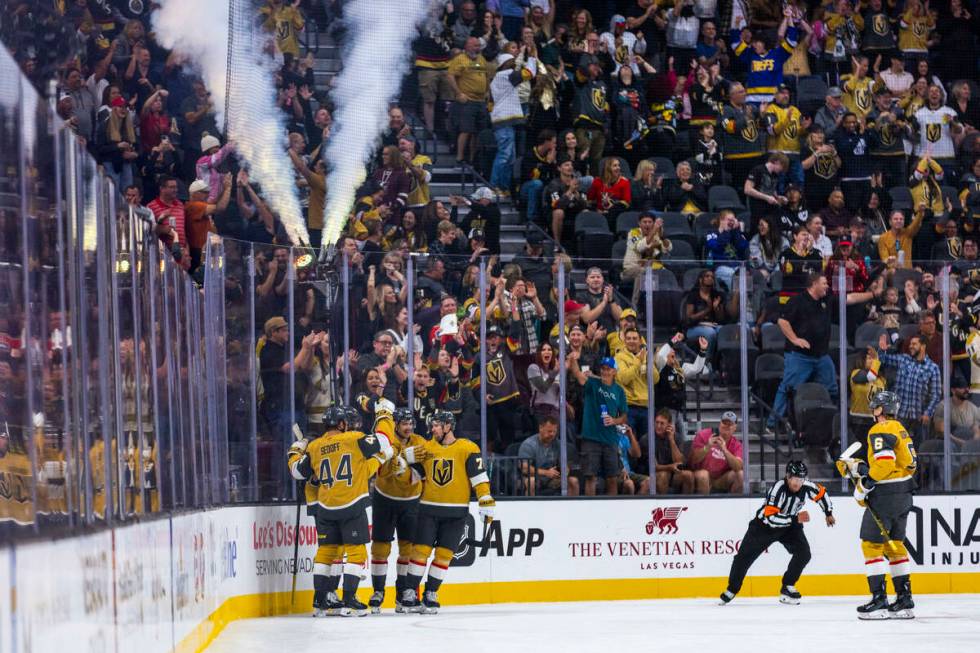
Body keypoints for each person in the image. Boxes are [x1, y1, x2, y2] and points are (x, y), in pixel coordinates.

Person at [288, 400, 394, 617]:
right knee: (356, 552)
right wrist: (384, 414)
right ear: (342, 423)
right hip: (351, 505)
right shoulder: (353, 439)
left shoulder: (315, 446)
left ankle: (319, 602)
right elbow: (383, 440)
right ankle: (349, 600)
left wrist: (295, 450)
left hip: (326, 507)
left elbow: (298, 472)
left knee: (326, 552)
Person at [402, 410, 494, 613]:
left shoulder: (467, 448)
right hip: (428, 509)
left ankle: (431, 592)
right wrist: (402, 462)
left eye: (436, 425)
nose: (432, 429)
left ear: (448, 426)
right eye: (432, 425)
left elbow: (478, 477)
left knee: (444, 555)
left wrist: (485, 499)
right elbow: (413, 477)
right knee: (420, 552)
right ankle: (410, 591)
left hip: (456, 512)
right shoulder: (426, 448)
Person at [836, 391, 917, 619]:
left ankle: (879, 600)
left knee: (871, 544)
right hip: (904, 493)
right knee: (895, 546)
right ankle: (904, 599)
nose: (873, 412)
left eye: (875, 408)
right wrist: (860, 468)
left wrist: (864, 486)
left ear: (881, 410)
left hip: (886, 495)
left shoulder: (880, 429)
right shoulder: (900, 429)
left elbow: (883, 465)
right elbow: (906, 465)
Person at [719, 461, 835, 606]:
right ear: (787, 476)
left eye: (801, 479)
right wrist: (795, 519)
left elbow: (822, 494)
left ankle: (787, 586)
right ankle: (732, 589)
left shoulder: (806, 486)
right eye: (795, 479)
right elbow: (771, 518)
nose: (798, 483)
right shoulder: (777, 489)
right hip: (764, 527)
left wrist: (828, 512)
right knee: (743, 557)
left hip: (790, 526)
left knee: (804, 553)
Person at [369, 407, 430, 614]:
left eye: (411, 423)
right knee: (380, 548)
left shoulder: (420, 441)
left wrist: (405, 461)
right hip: (384, 499)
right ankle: (378, 592)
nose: (409, 427)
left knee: (408, 549)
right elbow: (381, 470)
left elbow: (422, 469)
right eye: (405, 423)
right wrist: (403, 456)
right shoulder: (386, 443)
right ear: (395, 424)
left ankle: (403, 595)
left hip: (411, 501)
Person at [766, 272, 838, 435]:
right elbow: (782, 321)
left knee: (831, 388)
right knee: (788, 388)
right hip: (799, 356)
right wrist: (795, 339)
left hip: (821, 355)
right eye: (824, 283)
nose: (827, 286)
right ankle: (772, 423)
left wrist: (872, 293)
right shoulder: (797, 301)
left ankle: (825, 423)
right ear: (814, 284)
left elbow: (850, 299)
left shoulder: (825, 300)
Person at [567, 354, 628, 496]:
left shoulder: (619, 391)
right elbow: (577, 373)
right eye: (602, 368)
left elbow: (624, 416)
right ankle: (590, 510)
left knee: (612, 478)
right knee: (590, 477)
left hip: (610, 439)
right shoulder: (593, 384)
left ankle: (612, 511)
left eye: (608, 369)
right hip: (591, 438)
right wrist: (573, 359)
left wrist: (614, 420)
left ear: (614, 371)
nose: (605, 371)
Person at [874, 332, 941, 446]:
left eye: (914, 344)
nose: (911, 346)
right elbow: (883, 359)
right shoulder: (903, 359)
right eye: (910, 344)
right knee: (896, 445)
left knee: (920, 448)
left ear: (923, 346)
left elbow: (936, 394)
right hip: (900, 413)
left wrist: (928, 413)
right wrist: (882, 349)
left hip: (919, 416)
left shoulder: (933, 368)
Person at [489, 52, 531, 195]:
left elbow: (490, 104)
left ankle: (503, 187)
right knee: (505, 155)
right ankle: (493, 186)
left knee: (510, 157)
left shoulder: (496, 79)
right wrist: (532, 58)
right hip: (503, 121)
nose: (513, 64)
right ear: (505, 64)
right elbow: (529, 73)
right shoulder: (506, 74)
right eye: (511, 61)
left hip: (503, 120)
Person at [448, 37, 490, 166]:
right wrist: (458, 93)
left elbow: (486, 76)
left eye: (478, 46)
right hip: (468, 101)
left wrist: (487, 90)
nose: (476, 48)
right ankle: (460, 158)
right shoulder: (459, 59)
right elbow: (450, 76)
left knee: (478, 132)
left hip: (481, 101)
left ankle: (472, 159)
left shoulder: (481, 59)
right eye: (474, 46)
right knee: (466, 130)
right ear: (466, 46)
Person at [518, 415, 580, 496]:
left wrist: (565, 471)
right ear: (540, 428)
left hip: (552, 478)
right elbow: (524, 468)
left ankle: (571, 508)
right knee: (531, 482)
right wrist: (546, 473)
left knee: (573, 481)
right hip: (534, 477)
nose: (552, 434)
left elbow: (564, 464)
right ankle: (531, 508)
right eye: (549, 431)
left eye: (554, 431)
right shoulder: (529, 444)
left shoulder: (558, 444)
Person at [689, 411, 744, 494]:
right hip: (700, 474)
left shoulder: (737, 444)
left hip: (720, 479)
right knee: (703, 475)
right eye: (724, 423)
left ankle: (733, 506)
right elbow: (693, 459)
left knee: (741, 475)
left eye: (730, 424)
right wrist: (707, 447)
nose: (726, 426)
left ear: (735, 428)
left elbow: (738, 467)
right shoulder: (704, 434)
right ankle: (704, 506)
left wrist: (724, 450)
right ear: (720, 423)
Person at [652, 409, 694, 494]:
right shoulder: (648, 438)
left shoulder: (677, 437)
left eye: (662, 423)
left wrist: (671, 440)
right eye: (656, 422)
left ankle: (686, 505)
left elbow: (679, 462)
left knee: (688, 475)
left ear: (669, 425)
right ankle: (662, 506)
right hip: (655, 473)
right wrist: (670, 467)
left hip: (674, 473)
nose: (658, 426)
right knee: (663, 475)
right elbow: (653, 467)